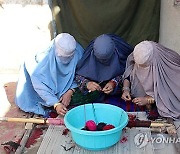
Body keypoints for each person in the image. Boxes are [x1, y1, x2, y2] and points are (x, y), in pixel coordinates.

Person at [15, 33, 84, 116]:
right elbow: (39, 85)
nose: (66, 61)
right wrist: (55, 104)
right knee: (38, 98)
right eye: (62, 57)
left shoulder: (78, 52)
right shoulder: (42, 59)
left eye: (69, 57)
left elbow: (81, 74)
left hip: (65, 86)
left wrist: (70, 90)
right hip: (37, 86)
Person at [122, 41, 180, 120]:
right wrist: (126, 89)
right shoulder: (139, 54)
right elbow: (130, 74)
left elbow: (171, 94)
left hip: (162, 105)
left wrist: (149, 100)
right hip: (141, 101)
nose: (141, 68)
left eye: (145, 65)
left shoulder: (170, 63)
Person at [72, 34, 133, 105]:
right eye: (100, 59)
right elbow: (77, 75)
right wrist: (87, 83)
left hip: (116, 93)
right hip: (94, 92)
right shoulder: (88, 55)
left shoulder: (121, 52)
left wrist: (114, 82)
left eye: (107, 59)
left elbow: (128, 72)